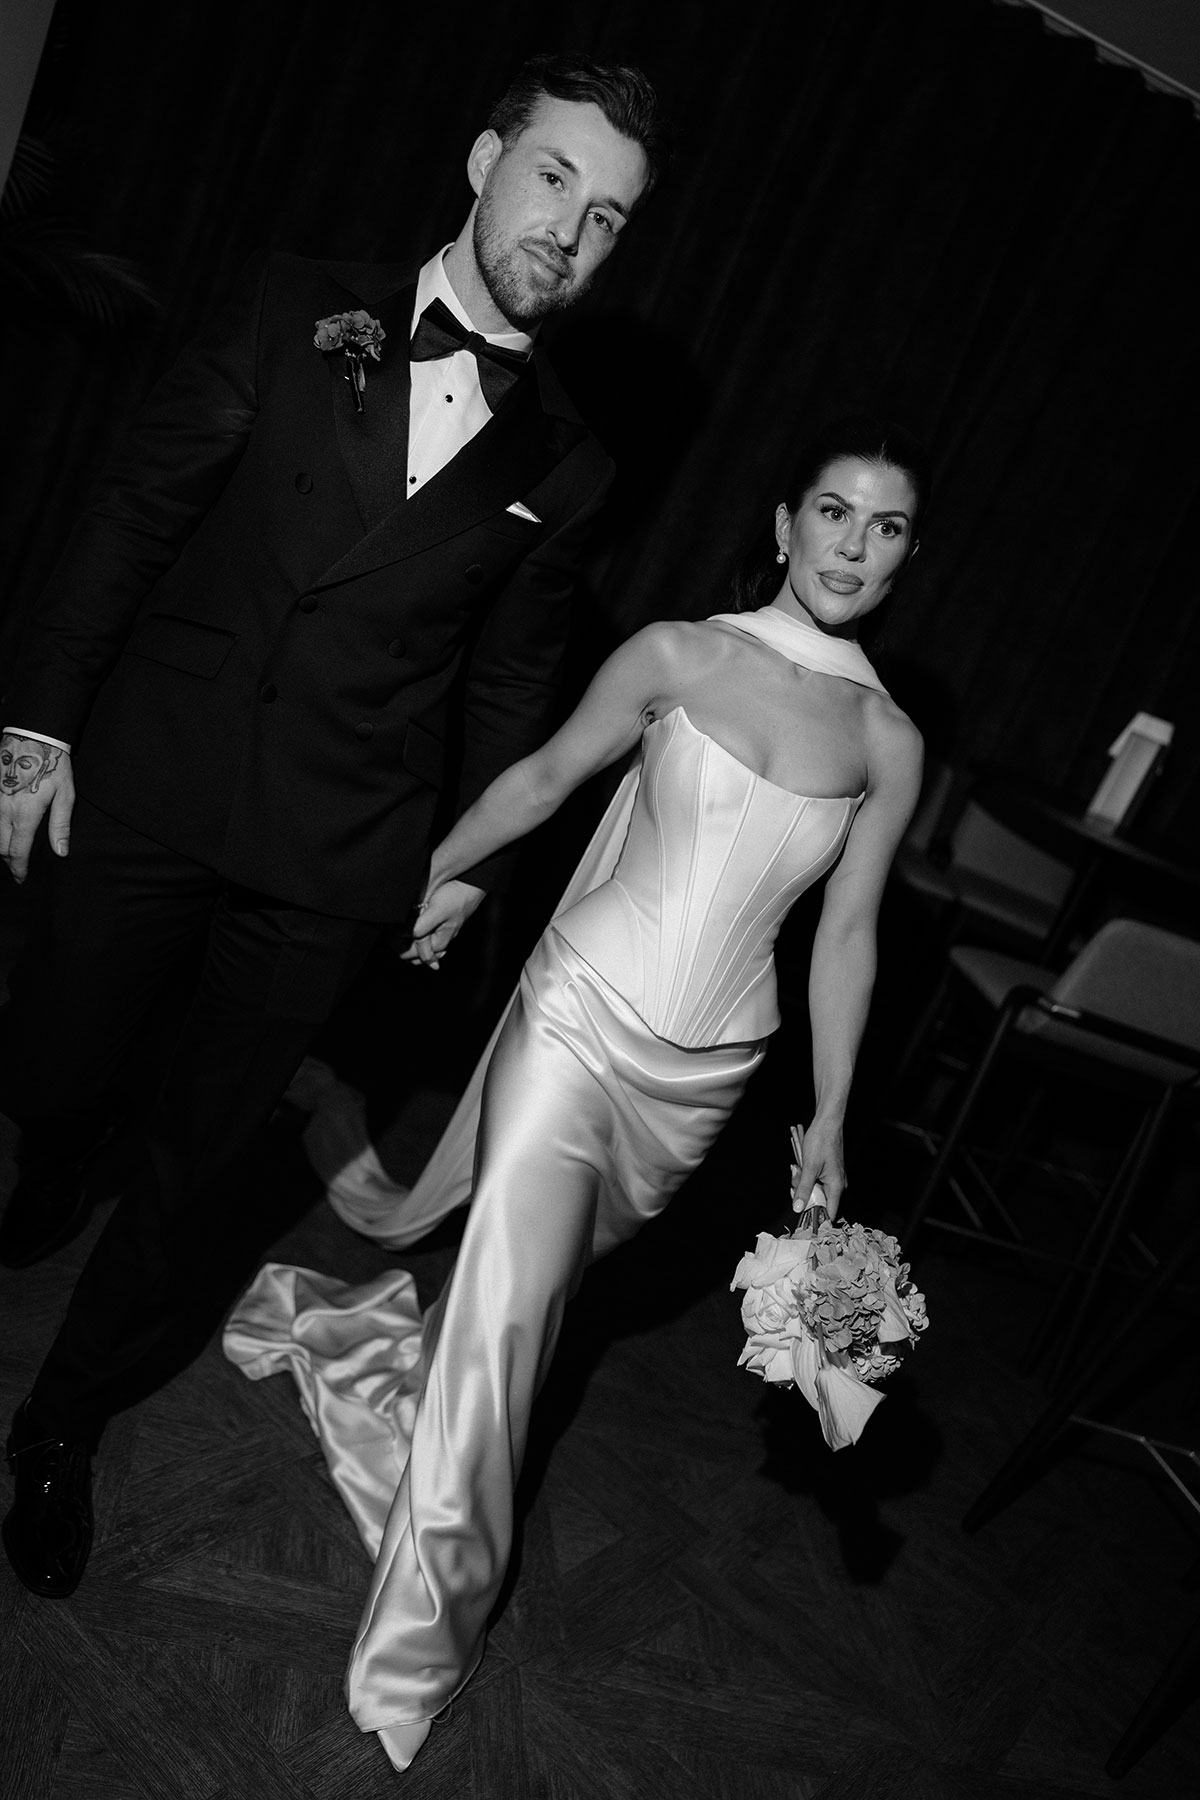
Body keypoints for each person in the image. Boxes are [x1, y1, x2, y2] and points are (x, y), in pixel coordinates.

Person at [0, 52, 669, 1603]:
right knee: (52, 1057)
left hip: (335, 845)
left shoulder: (570, 463)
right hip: (157, 773)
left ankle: (57, 1424)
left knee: (202, 1165)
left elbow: (511, 688)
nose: (572, 231)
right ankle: (61, 1131)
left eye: (613, 217)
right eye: (557, 177)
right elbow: (134, 513)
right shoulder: (295, 300)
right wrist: (36, 723)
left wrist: (475, 865)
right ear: (483, 155)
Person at [223, 416, 929, 1771]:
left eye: (886, 527)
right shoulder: (677, 651)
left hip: (709, 1073)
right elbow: (547, 778)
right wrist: (431, 874)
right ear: (783, 523)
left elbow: (848, 936)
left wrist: (833, 1115)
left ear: (906, 557)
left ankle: (391, 1361)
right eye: (834, 512)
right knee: (510, 1324)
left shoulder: (887, 740)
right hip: (580, 1018)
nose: (853, 545)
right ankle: (417, 1653)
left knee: (541, 1297)